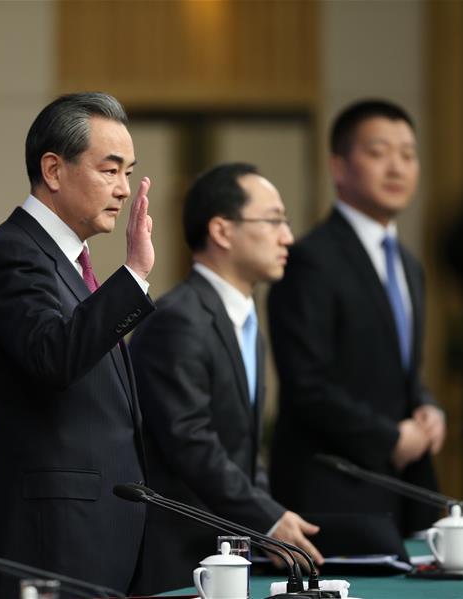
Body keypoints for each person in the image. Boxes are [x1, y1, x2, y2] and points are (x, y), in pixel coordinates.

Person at [0, 92, 155, 597]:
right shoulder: (13, 255)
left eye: (128, 173)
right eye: (110, 170)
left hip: (95, 537)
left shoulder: (66, 262)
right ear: (53, 170)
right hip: (50, 545)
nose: (123, 189)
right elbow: (55, 357)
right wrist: (134, 274)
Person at [129, 163, 323, 594]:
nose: (287, 237)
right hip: (178, 560)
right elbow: (191, 442)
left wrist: (266, 520)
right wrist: (266, 518)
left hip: (228, 555)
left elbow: (243, 449)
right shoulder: (178, 320)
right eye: (273, 220)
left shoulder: (245, 320)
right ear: (221, 230)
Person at [267, 99, 446, 535]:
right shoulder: (309, 259)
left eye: (408, 154)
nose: (397, 167)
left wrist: (427, 404)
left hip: (403, 490)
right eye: (378, 152)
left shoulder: (409, 264)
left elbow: (400, 367)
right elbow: (307, 384)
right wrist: (390, 438)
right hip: (333, 491)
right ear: (339, 166)